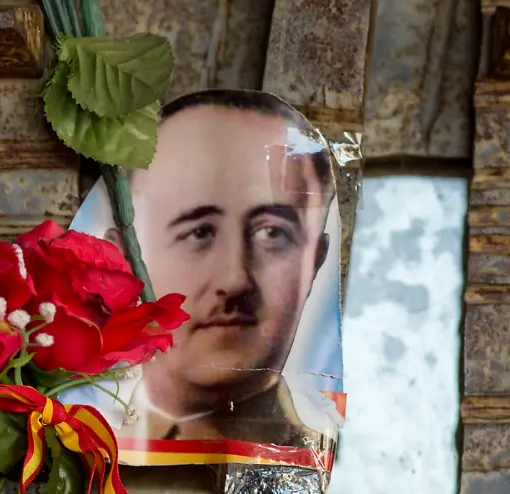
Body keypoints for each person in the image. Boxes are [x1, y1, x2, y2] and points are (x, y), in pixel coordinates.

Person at [105, 89, 339, 452]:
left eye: (272, 233)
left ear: (315, 262)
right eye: (199, 232)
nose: (234, 280)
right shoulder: (75, 446)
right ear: (120, 257)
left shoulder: (356, 471)